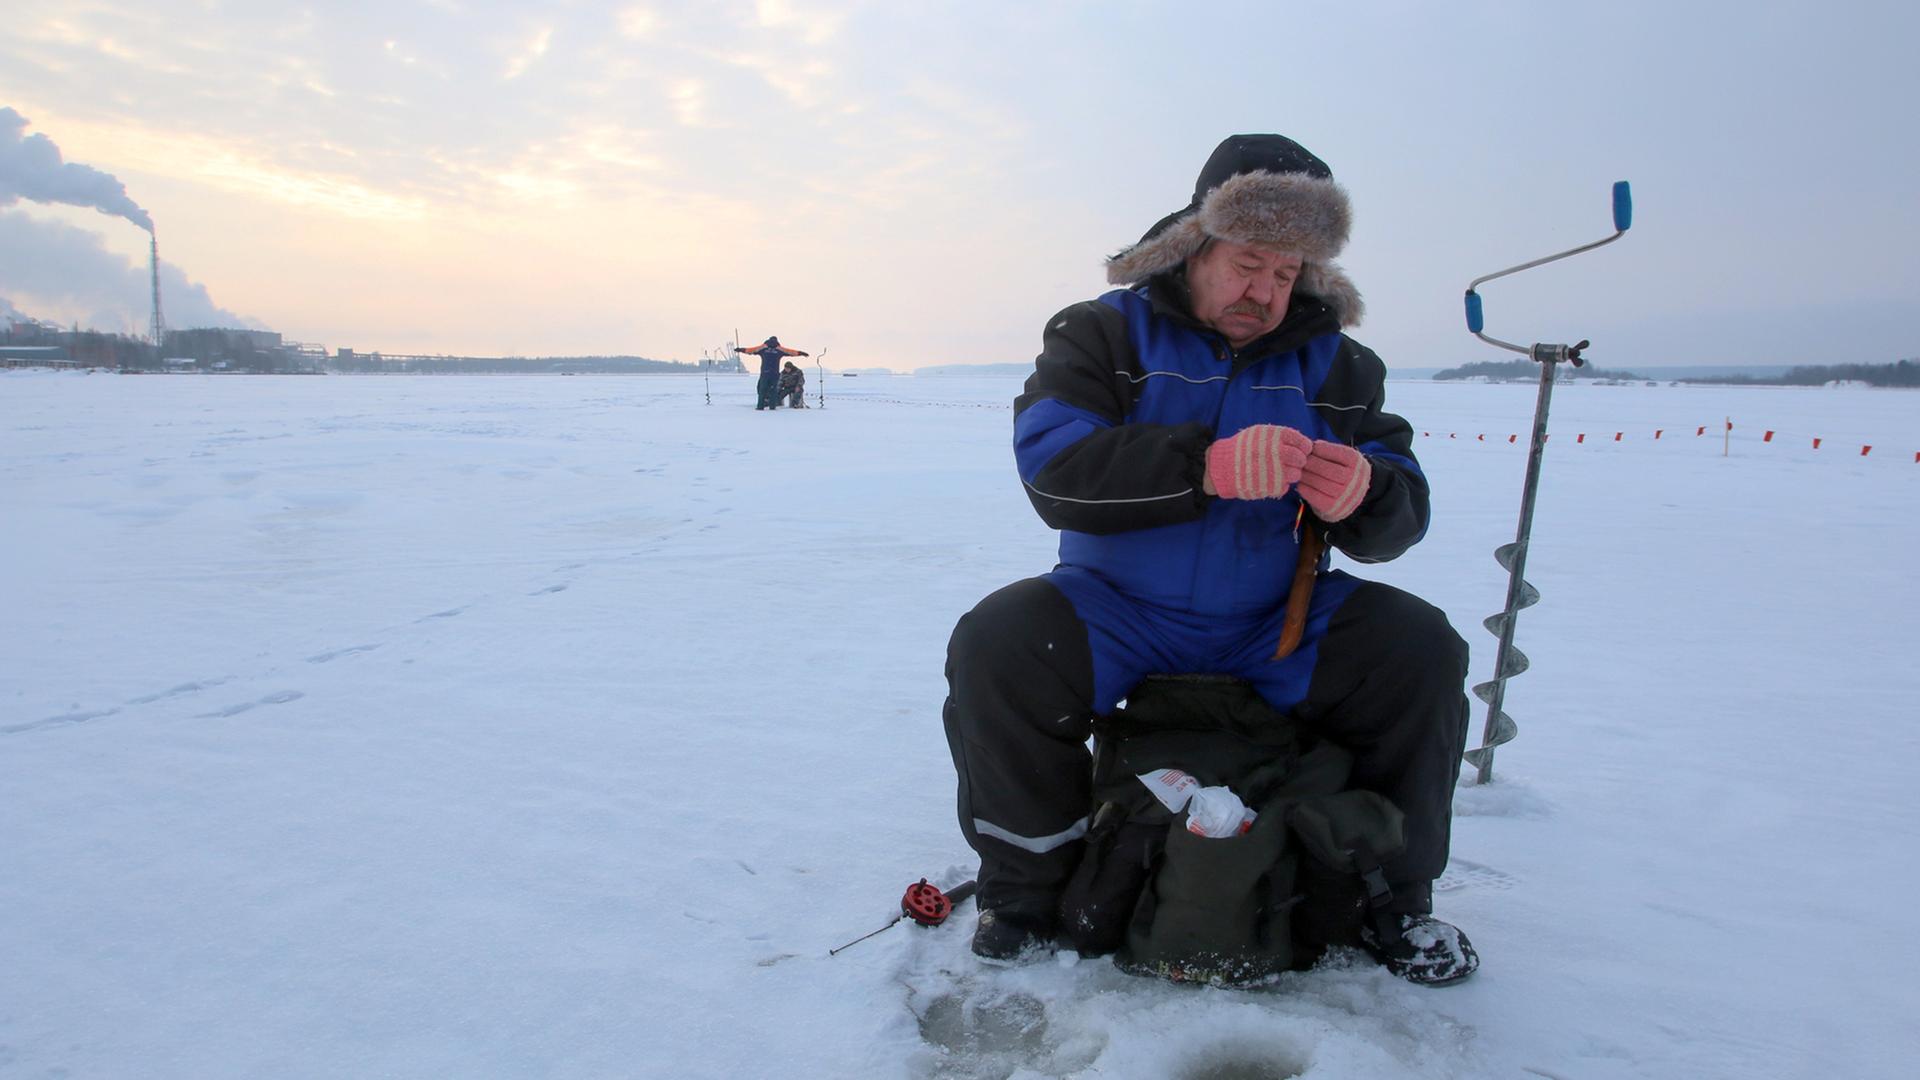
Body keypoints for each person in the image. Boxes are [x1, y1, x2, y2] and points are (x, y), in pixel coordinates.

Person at [941, 135, 1477, 985]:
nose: (1265, 292)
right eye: (1248, 263)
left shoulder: (1340, 361)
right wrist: (1205, 465)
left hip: (1277, 621)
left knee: (1420, 649)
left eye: (1288, 272)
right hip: (1116, 610)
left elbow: (1399, 515)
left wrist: (1366, 493)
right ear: (1197, 239)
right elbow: (1055, 470)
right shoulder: (1102, 333)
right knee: (999, 644)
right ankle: (1026, 893)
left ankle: (1391, 898)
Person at [735, 336, 809, 410]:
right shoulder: (779, 349)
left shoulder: (763, 348)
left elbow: (750, 350)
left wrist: (741, 350)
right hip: (775, 374)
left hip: (765, 373)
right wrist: (801, 353)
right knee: (773, 391)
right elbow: (791, 352)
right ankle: (772, 407)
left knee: (762, 390)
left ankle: (760, 407)